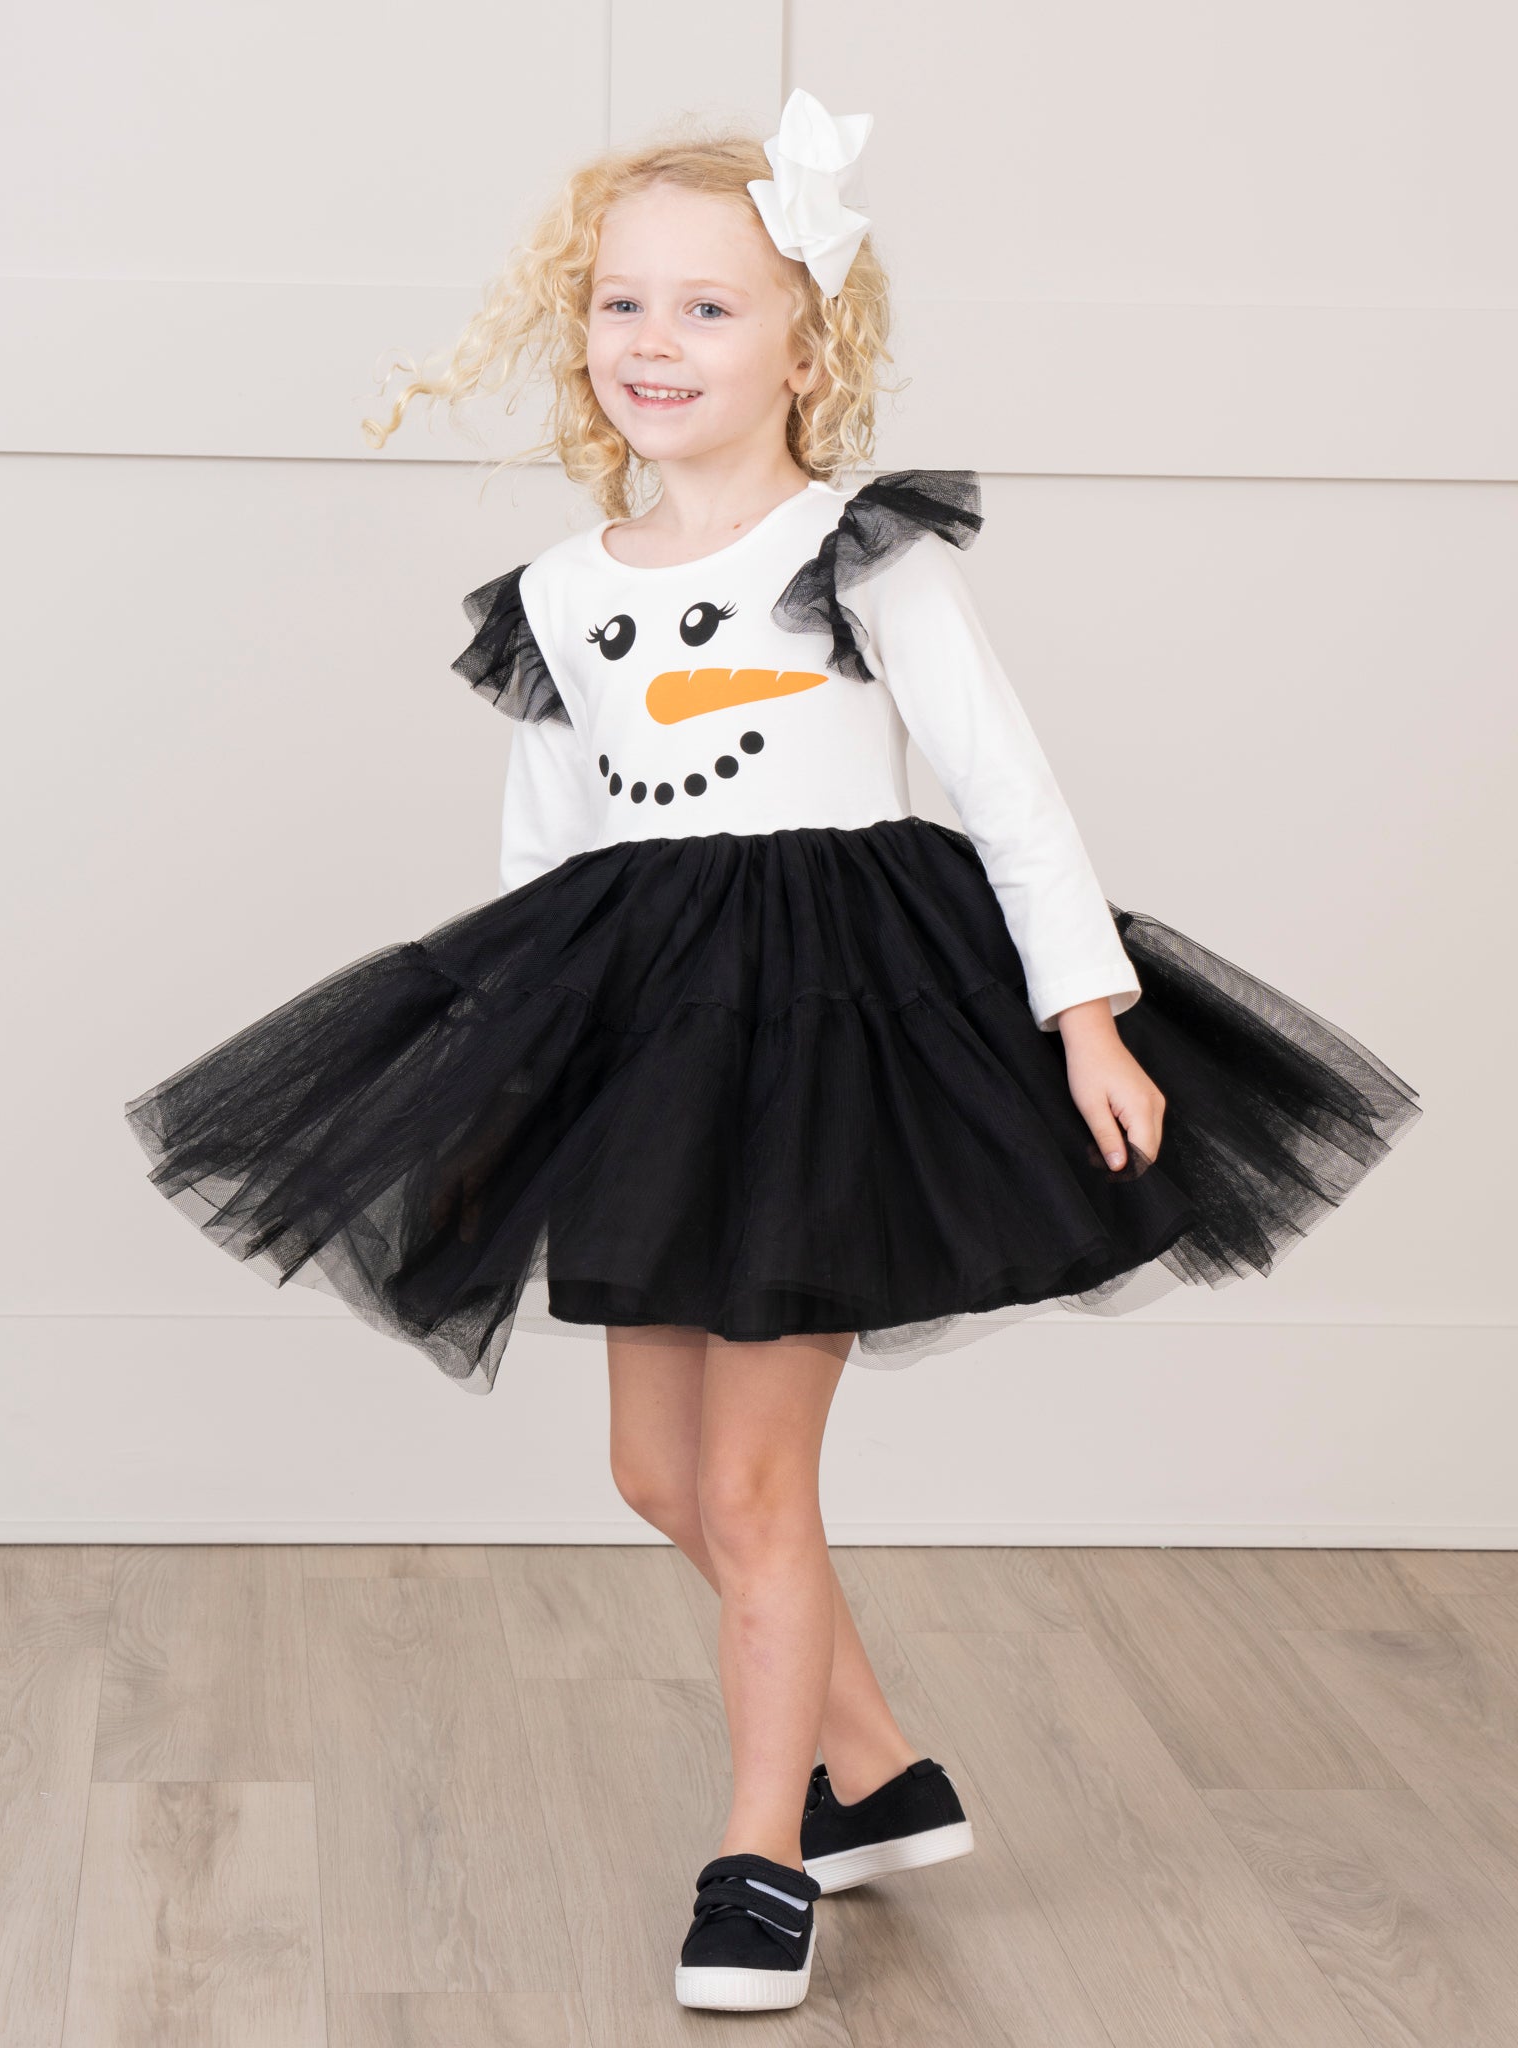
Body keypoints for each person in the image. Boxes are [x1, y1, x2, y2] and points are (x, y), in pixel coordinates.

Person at [124, 88, 1422, 2013]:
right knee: (657, 1476)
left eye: (710, 308)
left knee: (753, 1488)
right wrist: (502, 1088)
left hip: (836, 1038)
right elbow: (546, 865)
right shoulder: (560, 597)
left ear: (809, 345)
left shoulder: (861, 550)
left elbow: (1008, 791)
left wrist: (1086, 1015)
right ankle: (880, 1768)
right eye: (622, 304)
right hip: (648, 1047)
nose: (655, 342)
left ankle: (761, 1856)